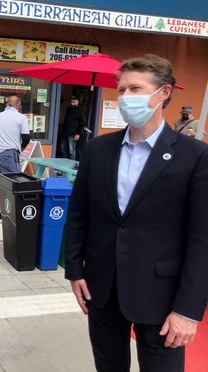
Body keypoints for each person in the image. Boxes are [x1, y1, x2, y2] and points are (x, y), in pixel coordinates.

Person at [65, 54, 208, 371]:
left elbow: (202, 240)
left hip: (162, 298)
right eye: (122, 89)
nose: (126, 97)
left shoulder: (195, 156)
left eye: (136, 89)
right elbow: (79, 213)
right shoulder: (98, 149)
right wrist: (74, 268)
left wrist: (188, 310)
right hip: (102, 289)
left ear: (164, 93)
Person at [0, 95, 31, 219]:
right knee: (13, 184)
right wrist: (22, 147)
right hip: (8, 154)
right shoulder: (21, 117)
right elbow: (26, 138)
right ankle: (11, 212)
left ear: (7, 105)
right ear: (19, 106)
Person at [61, 95, 86, 160]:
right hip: (65, 132)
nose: (72, 104)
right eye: (71, 102)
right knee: (63, 150)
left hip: (73, 133)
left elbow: (82, 123)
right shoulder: (68, 109)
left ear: (78, 102)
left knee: (71, 151)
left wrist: (78, 134)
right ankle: (63, 166)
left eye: (74, 102)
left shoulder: (80, 110)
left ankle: (70, 167)